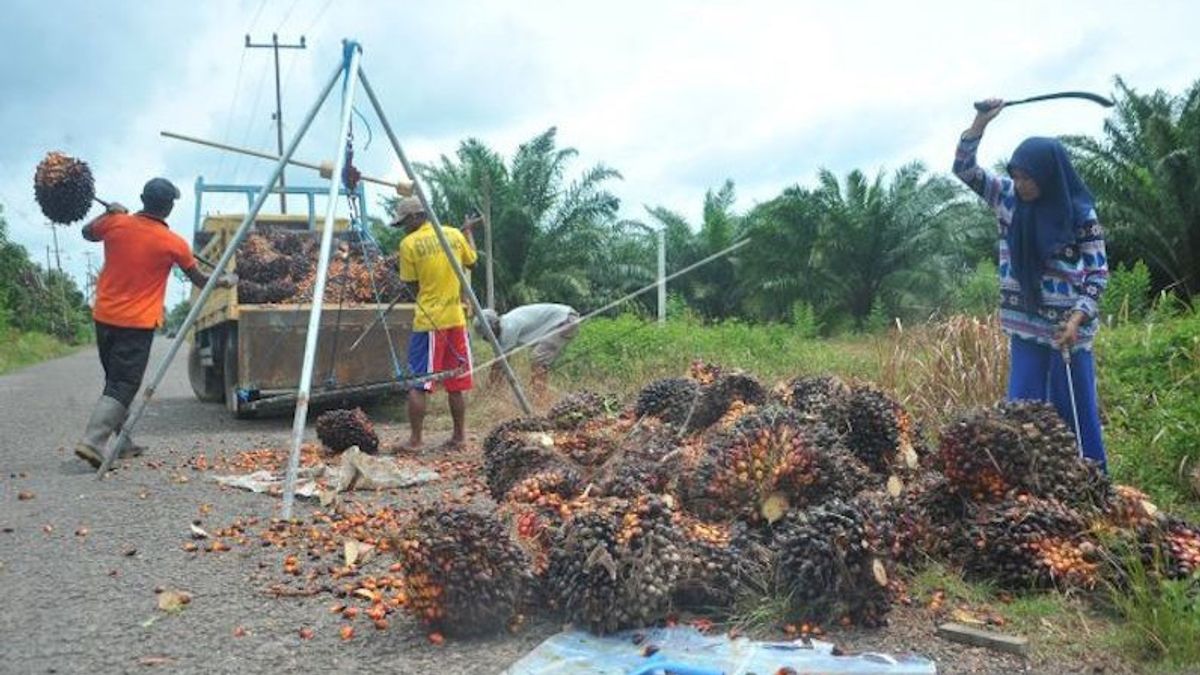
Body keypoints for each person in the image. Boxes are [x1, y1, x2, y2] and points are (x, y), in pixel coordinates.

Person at [953, 98, 1110, 471]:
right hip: (1025, 330)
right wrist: (979, 123)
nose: (1020, 184)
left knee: (1075, 414)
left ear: (1049, 175)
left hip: (1067, 334)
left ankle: (1092, 486)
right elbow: (964, 169)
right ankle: (1024, 489)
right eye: (1017, 175)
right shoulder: (1007, 199)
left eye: (1028, 177)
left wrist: (1076, 319)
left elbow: (1097, 273)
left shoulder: (1080, 215)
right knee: (1020, 417)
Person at [75, 178, 235, 468]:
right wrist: (225, 280)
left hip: (104, 318)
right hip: (136, 324)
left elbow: (87, 232)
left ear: (141, 197)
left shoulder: (116, 224)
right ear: (170, 207)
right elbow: (200, 279)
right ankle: (93, 442)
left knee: (115, 381)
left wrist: (108, 214)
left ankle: (122, 442)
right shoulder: (173, 243)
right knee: (124, 383)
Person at [394, 198, 479, 451]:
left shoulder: (409, 243)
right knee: (455, 383)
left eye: (403, 223)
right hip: (456, 318)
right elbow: (472, 261)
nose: (403, 229)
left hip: (429, 321)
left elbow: (412, 285)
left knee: (419, 383)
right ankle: (459, 438)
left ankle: (416, 440)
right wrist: (468, 234)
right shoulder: (453, 234)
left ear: (414, 219)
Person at [475, 303, 580, 396]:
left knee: (538, 358)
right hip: (563, 319)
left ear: (493, 326)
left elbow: (501, 363)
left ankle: (540, 398)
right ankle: (539, 394)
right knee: (538, 359)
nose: (487, 340)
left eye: (487, 335)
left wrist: (490, 390)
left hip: (565, 320)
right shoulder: (506, 324)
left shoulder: (508, 327)